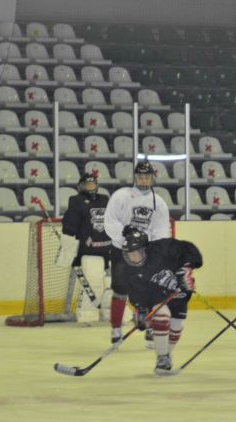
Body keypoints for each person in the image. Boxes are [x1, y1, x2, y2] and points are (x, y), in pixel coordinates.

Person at [119, 226, 202, 375]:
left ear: (145, 249)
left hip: (178, 294)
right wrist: (142, 313)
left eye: (136, 253)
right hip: (156, 298)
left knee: (176, 327)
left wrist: (187, 269)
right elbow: (135, 295)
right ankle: (162, 357)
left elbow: (189, 249)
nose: (133, 258)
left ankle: (166, 355)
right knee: (162, 315)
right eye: (129, 254)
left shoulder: (162, 248)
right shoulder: (129, 271)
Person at [104, 159, 170, 344]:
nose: (143, 180)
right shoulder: (120, 196)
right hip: (120, 250)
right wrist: (125, 235)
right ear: (135, 177)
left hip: (144, 254)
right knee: (120, 290)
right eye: (140, 177)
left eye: (146, 177)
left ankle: (149, 327)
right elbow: (109, 221)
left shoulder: (159, 203)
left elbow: (161, 231)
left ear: (152, 178)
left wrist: (149, 244)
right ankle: (116, 329)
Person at [57, 173, 112, 322]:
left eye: (93, 184)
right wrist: (69, 249)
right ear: (80, 187)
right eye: (87, 185)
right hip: (88, 251)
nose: (90, 187)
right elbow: (70, 225)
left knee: (112, 284)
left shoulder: (105, 199)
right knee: (92, 283)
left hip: (109, 250)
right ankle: (87, 315)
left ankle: (113, 313)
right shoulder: (76, 201)